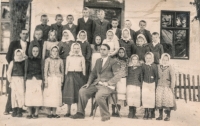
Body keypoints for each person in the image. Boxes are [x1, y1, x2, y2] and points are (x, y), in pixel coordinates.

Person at [70, 44, 122, 122]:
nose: (102, 51)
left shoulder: (113, 61)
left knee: (99, 96)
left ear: (108, 51)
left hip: (107, 86)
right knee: (82, 91)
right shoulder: (98, 61)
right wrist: (88, 83)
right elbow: (93, 73)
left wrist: (108, 83)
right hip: (97, 84)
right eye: (101, 49)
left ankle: (105, 116)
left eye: (104, 49)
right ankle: (80, 113)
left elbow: (118, 76)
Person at [4, 29, 29, 115]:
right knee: (12, 92)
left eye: (26, 34)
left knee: (21, 92)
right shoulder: (14, 43)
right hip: (14, 70)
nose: (25, 35)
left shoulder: (29, 44)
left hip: (23, 69)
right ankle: (8, 109)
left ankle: (20, 108)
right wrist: (14, 64)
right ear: (20, 34)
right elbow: (8, 56)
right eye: (23, 34)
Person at [63, 43, 86, 117]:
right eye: (74, 48)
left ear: (79, 49)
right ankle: (68, 111)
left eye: (77, 48)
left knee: (78, 93)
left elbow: (83, 67)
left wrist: (83, 76)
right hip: (70, 75)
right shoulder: (69, 57)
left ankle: (79, 111)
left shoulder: (81, 57)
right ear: (72, 49)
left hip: (79, 75)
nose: (76, 50)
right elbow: (66, 67)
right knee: (70, 93)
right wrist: (66, 76)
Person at [43, 45, 64, 118]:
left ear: (58, 52)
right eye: (53, 51)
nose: (55, 52)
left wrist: (62, 81)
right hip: (49, 79)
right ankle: (49, 113)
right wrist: (46, 81)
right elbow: (45, 71)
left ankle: (54, 113)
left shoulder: (60, 60)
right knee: (49, 95)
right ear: (50, 52)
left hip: (57, 79)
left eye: (56, 51)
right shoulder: (47, 60)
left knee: (55, 96)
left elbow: (62, 71)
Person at [156, 53, 176, 121]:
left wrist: (172, 86)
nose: (165, 61)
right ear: (161, 60)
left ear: (168, 60)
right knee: (159, 100)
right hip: (159, 86)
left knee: (167, 101)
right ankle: (160, 115)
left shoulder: (170, 67)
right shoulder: (158, 66)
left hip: (167, 87)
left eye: (166, 60)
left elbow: (173, 77)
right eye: (163, 60)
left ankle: (168, 116)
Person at [6, 49, 26, 117]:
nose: (19, 56)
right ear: (15, 55)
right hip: (14, 80)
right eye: (17, 55)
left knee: (20, 95)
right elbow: (9, 72)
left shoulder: (24, 62)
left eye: (20, 55)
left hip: (21, 79)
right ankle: (14, 110)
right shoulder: (12, 62)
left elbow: (25, 71)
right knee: (14, 95)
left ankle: (19, 110)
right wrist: (10, 80)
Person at [25, 45, 43, 119]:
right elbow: (25, 70)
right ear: (31, 52)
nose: (35, 52)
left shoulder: (41, 60)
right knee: (29, 95)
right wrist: (25, 79)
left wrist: (42, 80)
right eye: (34, 51)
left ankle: (36, 112)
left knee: (37, 95)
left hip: (38, 79)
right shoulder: (28, 60)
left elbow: (42, 70)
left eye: (36, 51)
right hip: (29, 79)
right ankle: (29, 112)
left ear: (38, 52)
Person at [110, 47, 128, 117]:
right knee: (114, 94)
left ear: (124, 53)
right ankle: (113, 111)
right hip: (115, 78)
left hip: (123, 79)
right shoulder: (114, 60)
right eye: (119, 52)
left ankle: (118, 111)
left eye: (122, 52)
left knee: (120, 95)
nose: (121, 54)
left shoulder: (127, 60)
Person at [142, 52, 158, 120]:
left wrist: (155, 84)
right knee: (145, 97)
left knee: (151, 98)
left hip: (152, 83)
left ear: (152, 58)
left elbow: (156, 76)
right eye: (147, 58)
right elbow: (141, 74)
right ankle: (146, 112)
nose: (148, 59)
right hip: (145, 83)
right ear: (145, 58)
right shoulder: (143, 65)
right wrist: (142, 82)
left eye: (150, 58)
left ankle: (151, 112)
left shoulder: (154, 66)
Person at [126, 54, 143, 119]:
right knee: (130, 99)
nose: (134, 61)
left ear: (138, 60)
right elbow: (127, 76)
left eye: (136, 59)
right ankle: (130, 112)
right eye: (133, 59)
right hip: (130, 85)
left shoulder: (140, 68)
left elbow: (141, 77)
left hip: (137, 85)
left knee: (135, 99)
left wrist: (141, 85)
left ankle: (134, 113)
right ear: (131, 60)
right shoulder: (129, 67)